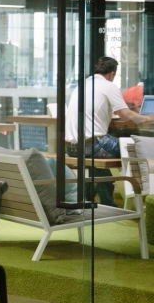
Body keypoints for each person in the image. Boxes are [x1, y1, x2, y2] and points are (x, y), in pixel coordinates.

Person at [64, 56, 154, 206]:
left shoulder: (82, 85)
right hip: (92, 145)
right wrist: (147, 119)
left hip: (70, 147)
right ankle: (138, 198)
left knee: (98, 165)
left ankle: (102, 201)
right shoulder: (108, 86)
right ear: (112, 74)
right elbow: (126, 116)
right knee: (134, 149)